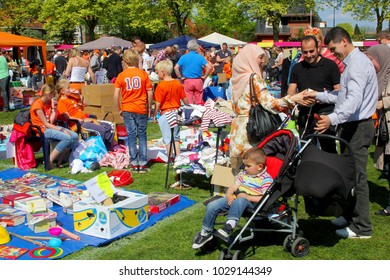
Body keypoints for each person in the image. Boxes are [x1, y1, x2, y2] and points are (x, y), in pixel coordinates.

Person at [304, 27, 377, 239]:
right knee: (349, 175)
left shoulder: (357, 66)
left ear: (344, 41)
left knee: (358, 177)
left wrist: (331, 119)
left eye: (334, 49)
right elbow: (342, 95)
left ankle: (362, 227)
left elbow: (353, 102)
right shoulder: (353, 63)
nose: (333, 54)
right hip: (352, 125)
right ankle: (349, 216)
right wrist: (318, 95)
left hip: (358, 126)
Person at [229, 44, 304, 175]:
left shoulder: (237, 78)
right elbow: (269, 103)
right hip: (251, 130)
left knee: (240, 169)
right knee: (253, 168)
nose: (262, 61)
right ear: (250, 58)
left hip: (237, 129)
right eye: (259, 58)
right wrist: (293, 99)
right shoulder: (254, 78)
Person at [192, 147, 273, 249]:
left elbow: (264, 198)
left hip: (252, 204)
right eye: (245, 165)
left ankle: (229, 226)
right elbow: (234, 187)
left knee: (240, 199)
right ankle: (206, 232)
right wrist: (229, 194)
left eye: (248, 166)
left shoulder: (266, 179)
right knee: (213, 205)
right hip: (236, 199)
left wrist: (247, 197)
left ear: (260, 166)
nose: (245, 168)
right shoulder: (244, 174)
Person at [287, 35, 340, 153]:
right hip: (305, 115)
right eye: (305, 52)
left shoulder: (330, 65)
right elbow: (291, 91)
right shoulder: (297, 67)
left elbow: (339, 91)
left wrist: (323, 96)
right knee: (306, 150)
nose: (309, 55)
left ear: (318, 48)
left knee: (328, 150)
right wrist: (298, 98)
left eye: (312, 51)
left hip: (325, 114)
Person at [114, 49, 153, 174]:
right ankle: (142, 162)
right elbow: (150, 91)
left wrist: (119, 108)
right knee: (142, 134)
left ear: (124, 61)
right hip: (141, 107)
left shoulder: (121, 75)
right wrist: (148, 105)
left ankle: (133, 161)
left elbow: (115, 96)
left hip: (127, 108)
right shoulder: (143, 74)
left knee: (131, 135)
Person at [30, 83, 79, 169]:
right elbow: (45, 123)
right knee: (67, 138)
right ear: (49, 94)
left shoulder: (48, 103)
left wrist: (54, 109)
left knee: (74, 136)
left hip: (49, 127)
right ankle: (49, 160)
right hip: (42, 130)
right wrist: (62, 130)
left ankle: (60, 159)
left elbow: (51, 121)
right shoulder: (37, 105)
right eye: (53, 94)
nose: (54, 96)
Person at [366, 44, 390, 216]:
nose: (370, 64)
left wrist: (382, 104)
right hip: (385, 130)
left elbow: (383, 101)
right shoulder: (379, 77)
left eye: (371, 60)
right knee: (388, 170)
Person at [56, 79, 114, 149]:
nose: (70, 89)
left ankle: (107, 148)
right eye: (68, 88)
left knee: (110, 127)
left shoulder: (72, 98)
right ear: (62, 91)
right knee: (101, 129)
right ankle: (100, 150)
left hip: (85, 119)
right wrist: (81, 120)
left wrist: (79, 95)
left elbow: (86, 103)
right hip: (78, 124)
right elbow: (68, 117)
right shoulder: (61, 102)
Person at [153, 60, 189, 157]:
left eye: (158, 72)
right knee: (176, 137)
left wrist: (154, 114)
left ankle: (170, 158)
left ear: (163, 72)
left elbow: (158, 103)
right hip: (176, 113)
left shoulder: (160, 86)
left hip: (165, 113)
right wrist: (189, 107)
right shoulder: (177, 83)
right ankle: (178, 156)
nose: (157, 74)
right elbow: (184, 99)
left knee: (167, 137)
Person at [174, 39, 212, 105]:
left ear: (188, 47)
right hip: (198, 80)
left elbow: (176, 68)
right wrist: (205, 77)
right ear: (196, 47)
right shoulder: (200, 57)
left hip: (187, 81)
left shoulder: (183, 57)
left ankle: (190, 113)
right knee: (199, 102)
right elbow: (209, 67)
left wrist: (180, 77)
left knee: (190, 102)